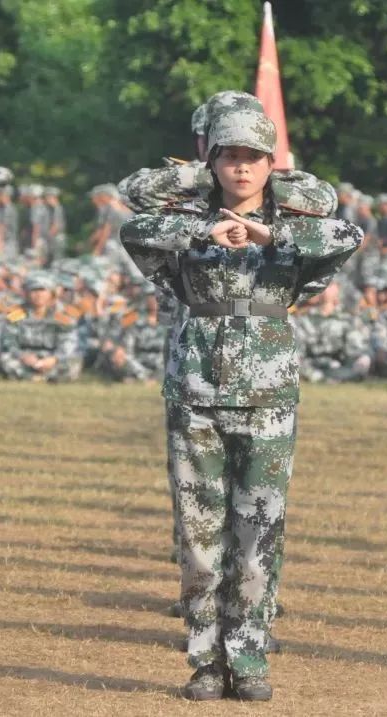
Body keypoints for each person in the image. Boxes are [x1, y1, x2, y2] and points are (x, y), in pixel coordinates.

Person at [120, 107, 360, 701]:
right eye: (230, 157)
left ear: (270, 165)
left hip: (269, 396)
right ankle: (204, 661)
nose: (241, 167)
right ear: (213, 163)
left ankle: (250, 659)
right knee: (200, 543)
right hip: (196, 392)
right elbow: (135, 229)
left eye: (253, 158)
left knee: (258, 535)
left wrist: (268, 235)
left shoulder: (295, 220)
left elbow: (346, 238)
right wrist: (203, 231)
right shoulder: (186, 218)